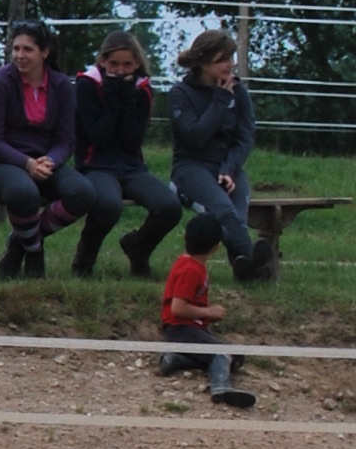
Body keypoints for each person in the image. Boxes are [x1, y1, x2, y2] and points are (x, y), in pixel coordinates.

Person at [0, 23, 117, 278]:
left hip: (46, 160)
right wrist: (26, 164)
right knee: (24, 193)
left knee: (83, 193)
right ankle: (34, 253)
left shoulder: (61, 85)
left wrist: (50, 160)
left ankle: (21, 241)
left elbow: (66, 139)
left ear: (44, 52)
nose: (20, 55)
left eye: (27, 49)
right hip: (2, 159)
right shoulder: (0, 81)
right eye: (16, 48)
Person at [71, 29, 184, 278]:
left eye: (127, 64)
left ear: (136, 63)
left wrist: (127, 98)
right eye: (113, 64)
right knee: (109, 205)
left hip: (131, 166)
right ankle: (84, 259)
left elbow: (132, 140)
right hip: (95, 164)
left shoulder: (141, 90)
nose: (120, 70)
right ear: (102, 61)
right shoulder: (86, 86)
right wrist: (113, 94)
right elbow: (99, 137)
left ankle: (138, 248)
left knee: (169, 207)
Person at [168, 30, 269, 280]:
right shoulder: (180, 94)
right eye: (221, 59)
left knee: (237, 217)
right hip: (190, 168)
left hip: (227, 168)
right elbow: (195, 137)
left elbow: (245, 137)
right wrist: (221, 99)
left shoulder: (240, 92)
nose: (229, 64)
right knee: (224, 210)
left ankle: (244, 270)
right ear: (202, 63)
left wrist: (229, 168)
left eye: (231, 57)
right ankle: (256, 265)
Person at [157, 211, 255, 407]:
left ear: (185, 236)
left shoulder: (190, 265)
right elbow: (178, 308)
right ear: (217, 247)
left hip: (187, 329)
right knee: (222, 354)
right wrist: (208, 312)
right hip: (181, 329)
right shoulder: (190, 270)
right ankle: (221, 387)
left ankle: (177, 359)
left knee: (237, 357)